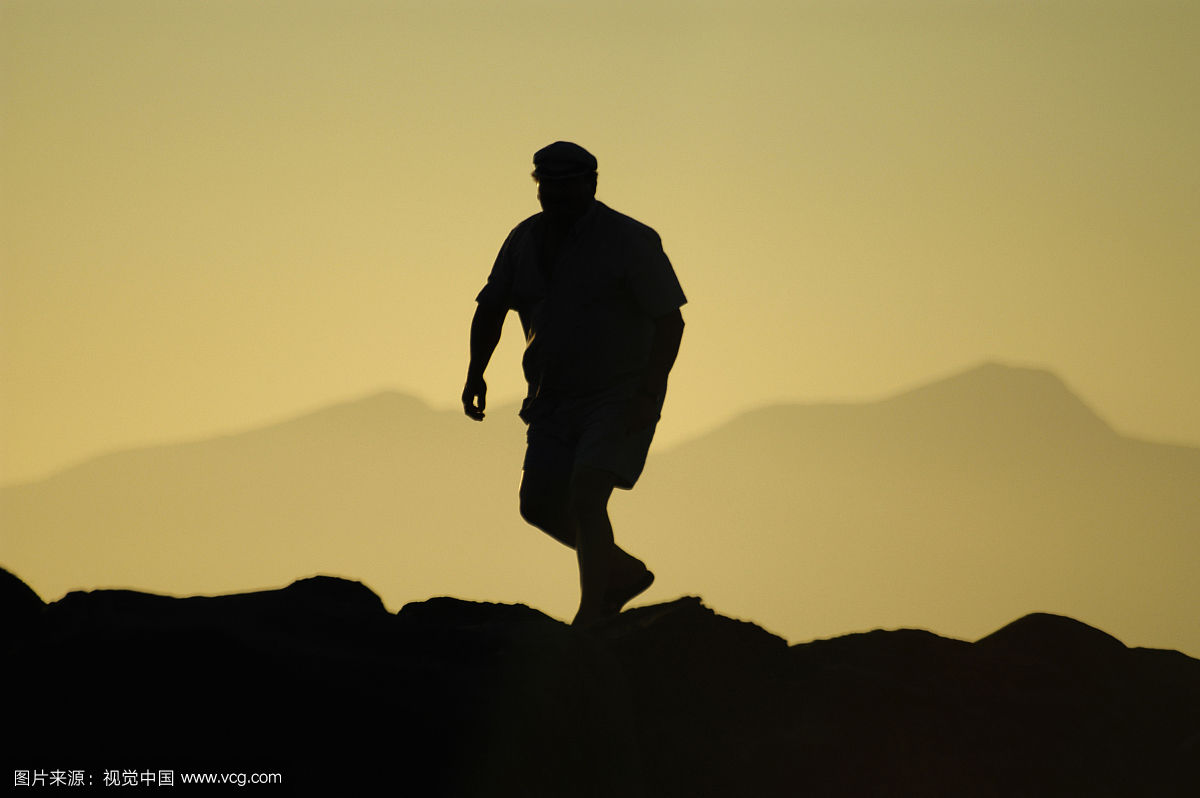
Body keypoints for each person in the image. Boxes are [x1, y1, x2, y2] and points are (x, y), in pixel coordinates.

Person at [462, 141, 686, 626]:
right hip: (550, 396)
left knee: (586, 492)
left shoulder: (630, 240)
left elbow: (671, 322)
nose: (555, 199)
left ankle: (591, 616)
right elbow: (491, 307)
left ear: (591, 185)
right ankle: (622, 573)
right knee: (539, 505)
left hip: (620, 392)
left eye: (566, 189)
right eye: (547, 189)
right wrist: (475, 371)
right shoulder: (522, 241)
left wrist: (648, 394)